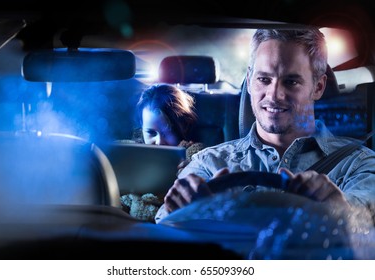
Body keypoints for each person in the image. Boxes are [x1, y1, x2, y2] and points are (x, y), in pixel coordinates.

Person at [155, 28, 375, 223]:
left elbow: (366, 212)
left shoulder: (357, 164)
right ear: (249, 80)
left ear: (318, 87)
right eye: (264, 79)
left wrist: (340, 212)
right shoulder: (209, 162)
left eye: (291, 81)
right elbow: (166, 221)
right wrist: (181, 209)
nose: (274, 95)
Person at [120, 83, 204, 222]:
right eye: (151, 133)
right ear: (141, 128)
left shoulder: (196, 156)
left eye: (167, 132)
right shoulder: (129, 152)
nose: (159, 141)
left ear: (182, 126)